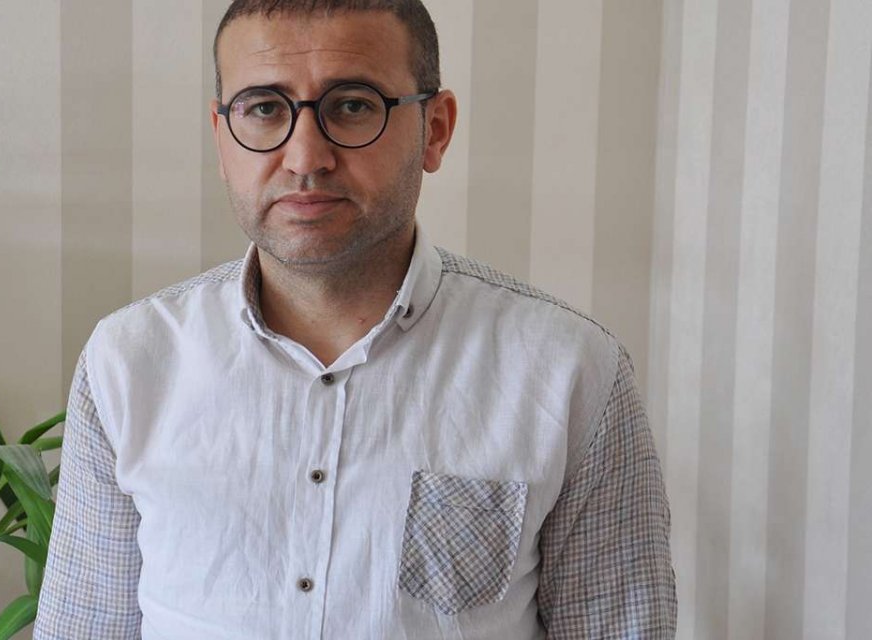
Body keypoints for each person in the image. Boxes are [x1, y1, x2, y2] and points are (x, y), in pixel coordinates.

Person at [33, 0, 677, 637]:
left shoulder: (568, 372)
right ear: (221, 135)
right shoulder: (130, 360)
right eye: (264, 109)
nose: (305, 158)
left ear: (435, 129)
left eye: (351, 106)